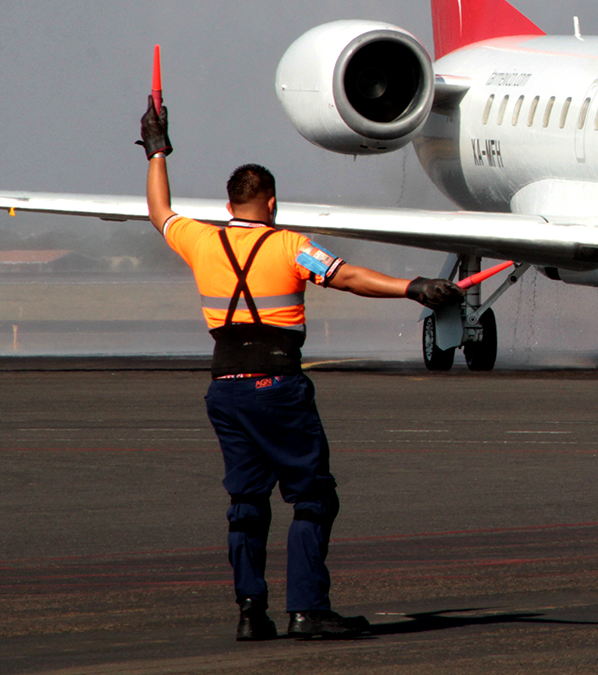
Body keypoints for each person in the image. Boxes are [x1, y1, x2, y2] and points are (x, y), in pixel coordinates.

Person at [138, 98, 462, 641]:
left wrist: (156, 151)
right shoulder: (290, 246)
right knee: (312, 497)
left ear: (229, 202)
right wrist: (414, 288)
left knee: (246, 502)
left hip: (225, 389)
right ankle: (308, 608)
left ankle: (250, 611)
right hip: (277, 386)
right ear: (269, 202)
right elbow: (349, 276)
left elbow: (159, 211)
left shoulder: (200, 240)